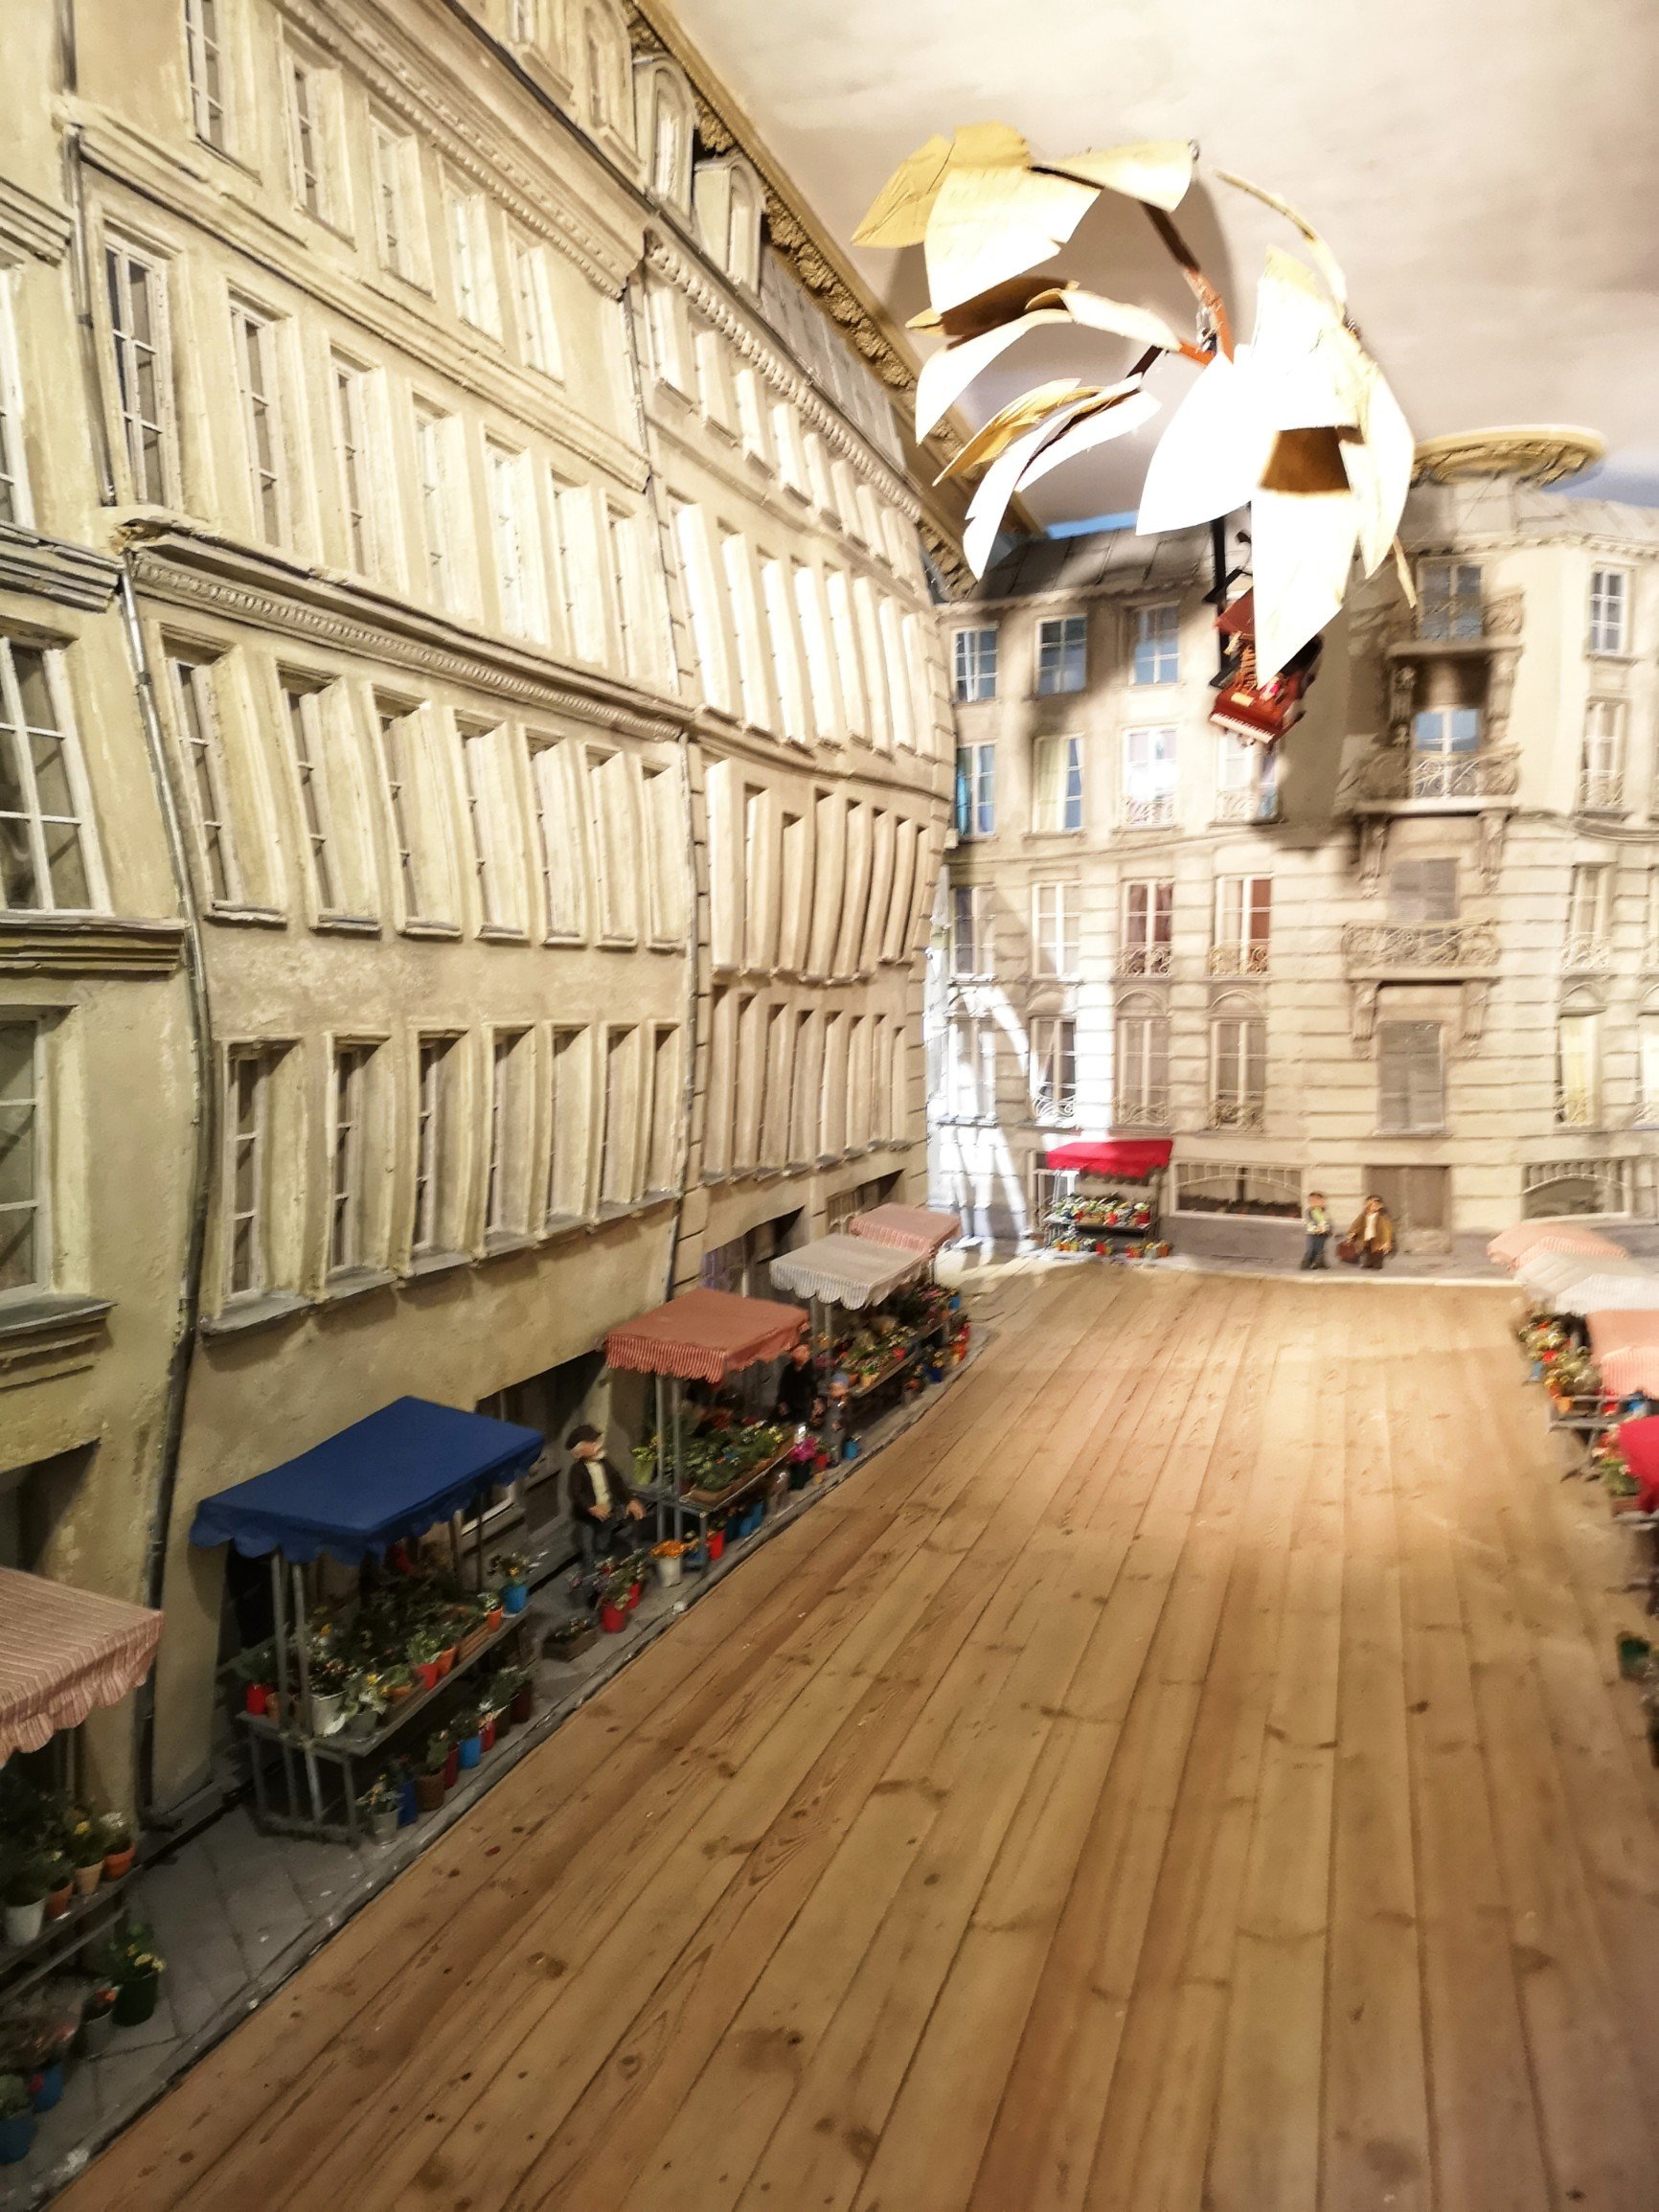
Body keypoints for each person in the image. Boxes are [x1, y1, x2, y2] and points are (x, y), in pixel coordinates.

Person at [565, 1422, 647, 1579]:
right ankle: (591, 1577)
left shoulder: (604, 1462)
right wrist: (591, 1507)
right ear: (579, 1451)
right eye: (591, 1443)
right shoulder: (577, 1470)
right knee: (588, 1548)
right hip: (586, 1518)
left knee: (603, 1543)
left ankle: (604, 1571)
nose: (597, 1445)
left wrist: (629, 1500)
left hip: (607, 1513)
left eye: (596, 1441)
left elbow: (617, 1483)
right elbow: (576, 1493)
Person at [775, 1340, 823, 1427]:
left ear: (807, 1352)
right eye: (794, 1352)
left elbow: (817, 1389)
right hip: (787, 1409)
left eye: (797, 1351)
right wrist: (781, 1402)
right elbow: (783, 1386)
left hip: (804, 1411)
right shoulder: (789, 1368)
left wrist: (818, 1402)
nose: (794, 1354)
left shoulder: (814, 1370)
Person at [1349, 1194, 1396, 1271]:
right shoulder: (1363, 1216)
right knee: (1367, 1250)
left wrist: (1387, 1241)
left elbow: (1386, 1229)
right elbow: (1356, 1225)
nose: (1372, 1207)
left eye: (1374, 1205)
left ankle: (1377, 1263)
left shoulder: (1382, 1217)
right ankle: (1368, 1262)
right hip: (1366, 1235)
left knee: (1377, 1251)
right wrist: (1352, 1232)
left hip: (1378, 1237)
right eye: (1370, 1205)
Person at [1301, 1191, 1332, 1271]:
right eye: (1312, 1201)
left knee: (1320, 1248)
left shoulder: (1322, 1211)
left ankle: (1319, 1262)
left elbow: (1326, 1221)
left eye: (1319, 1200)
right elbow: (1308, 1222)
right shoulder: (1309, 1212)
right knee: (1311, 1248)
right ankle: (1306, 1263)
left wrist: (1328, 1228)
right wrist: (1315, 1228)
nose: (1315, 1203)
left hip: (1322, 1233)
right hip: (1312, 1233)